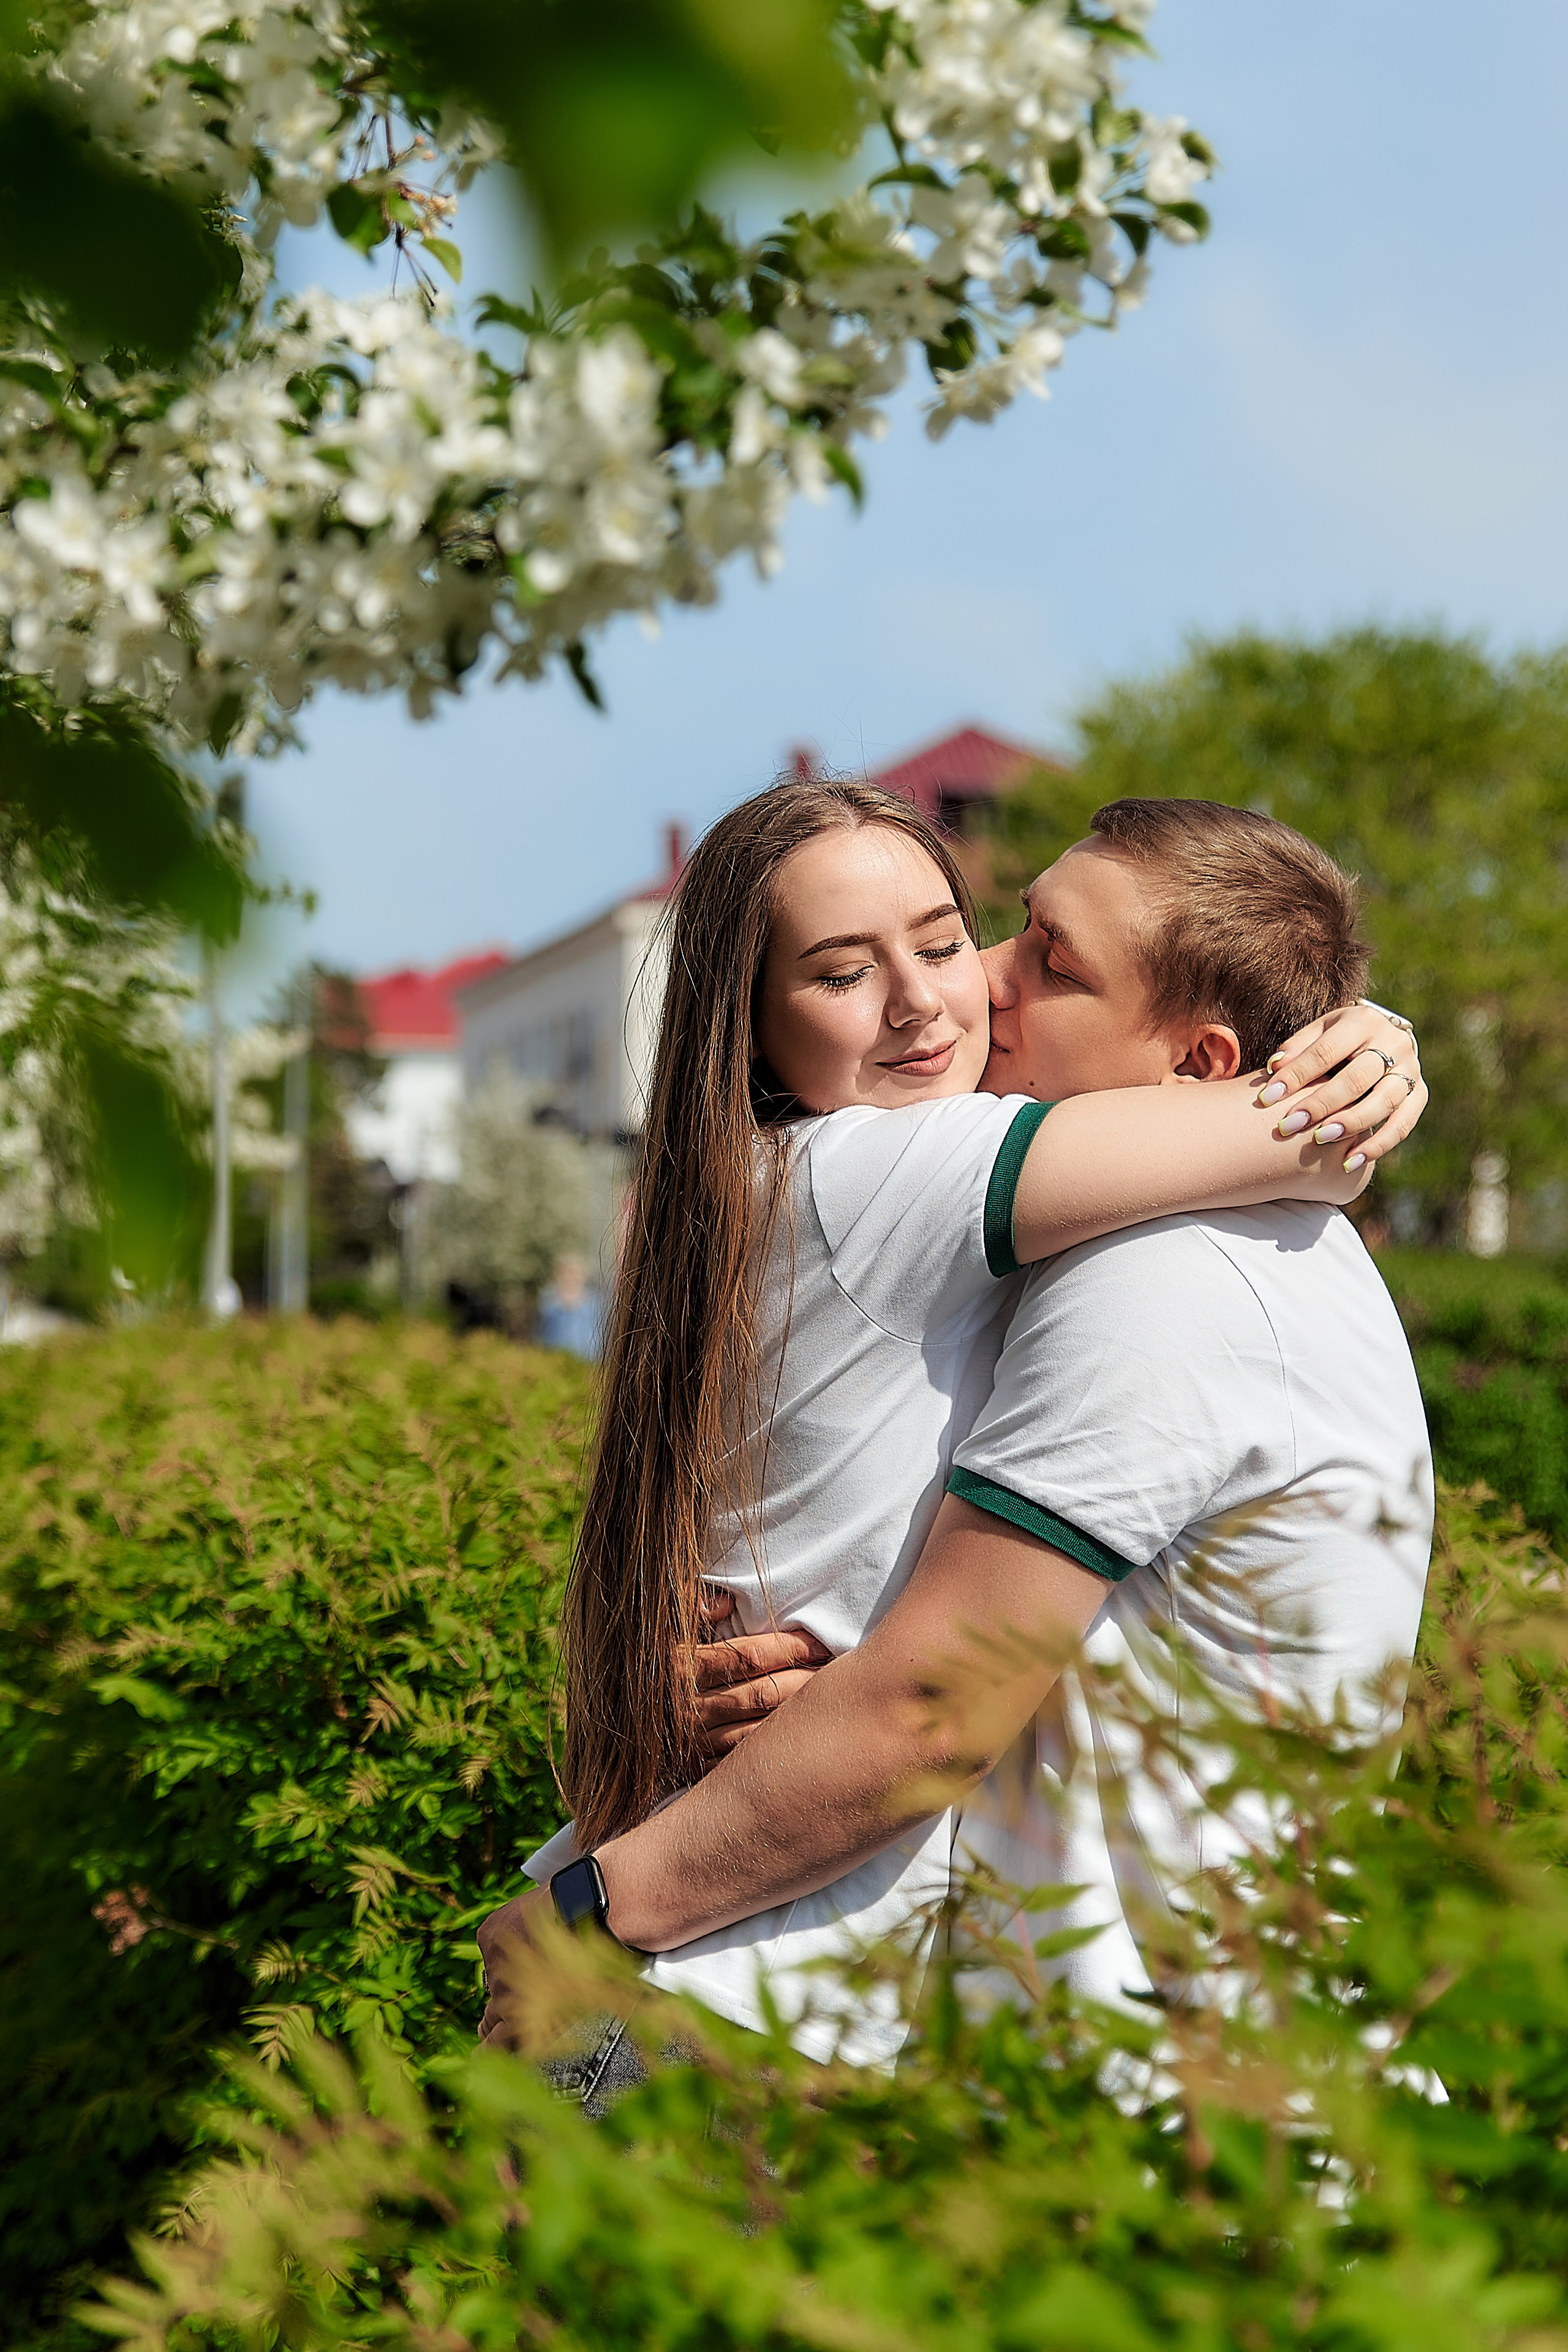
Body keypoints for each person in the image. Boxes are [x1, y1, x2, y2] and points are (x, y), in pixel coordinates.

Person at [480, 785, 1427, 2069]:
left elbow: (929, 1708)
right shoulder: (885, 1172)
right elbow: (1296, 1140)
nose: (959, 988)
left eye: (986, 946)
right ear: (750, 1023)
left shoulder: (1161, 1274)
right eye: (839, 973)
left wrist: (861, 1696)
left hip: (743, 1964)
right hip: (735, 1977)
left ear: (1194, 1062)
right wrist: (1349, 1086)